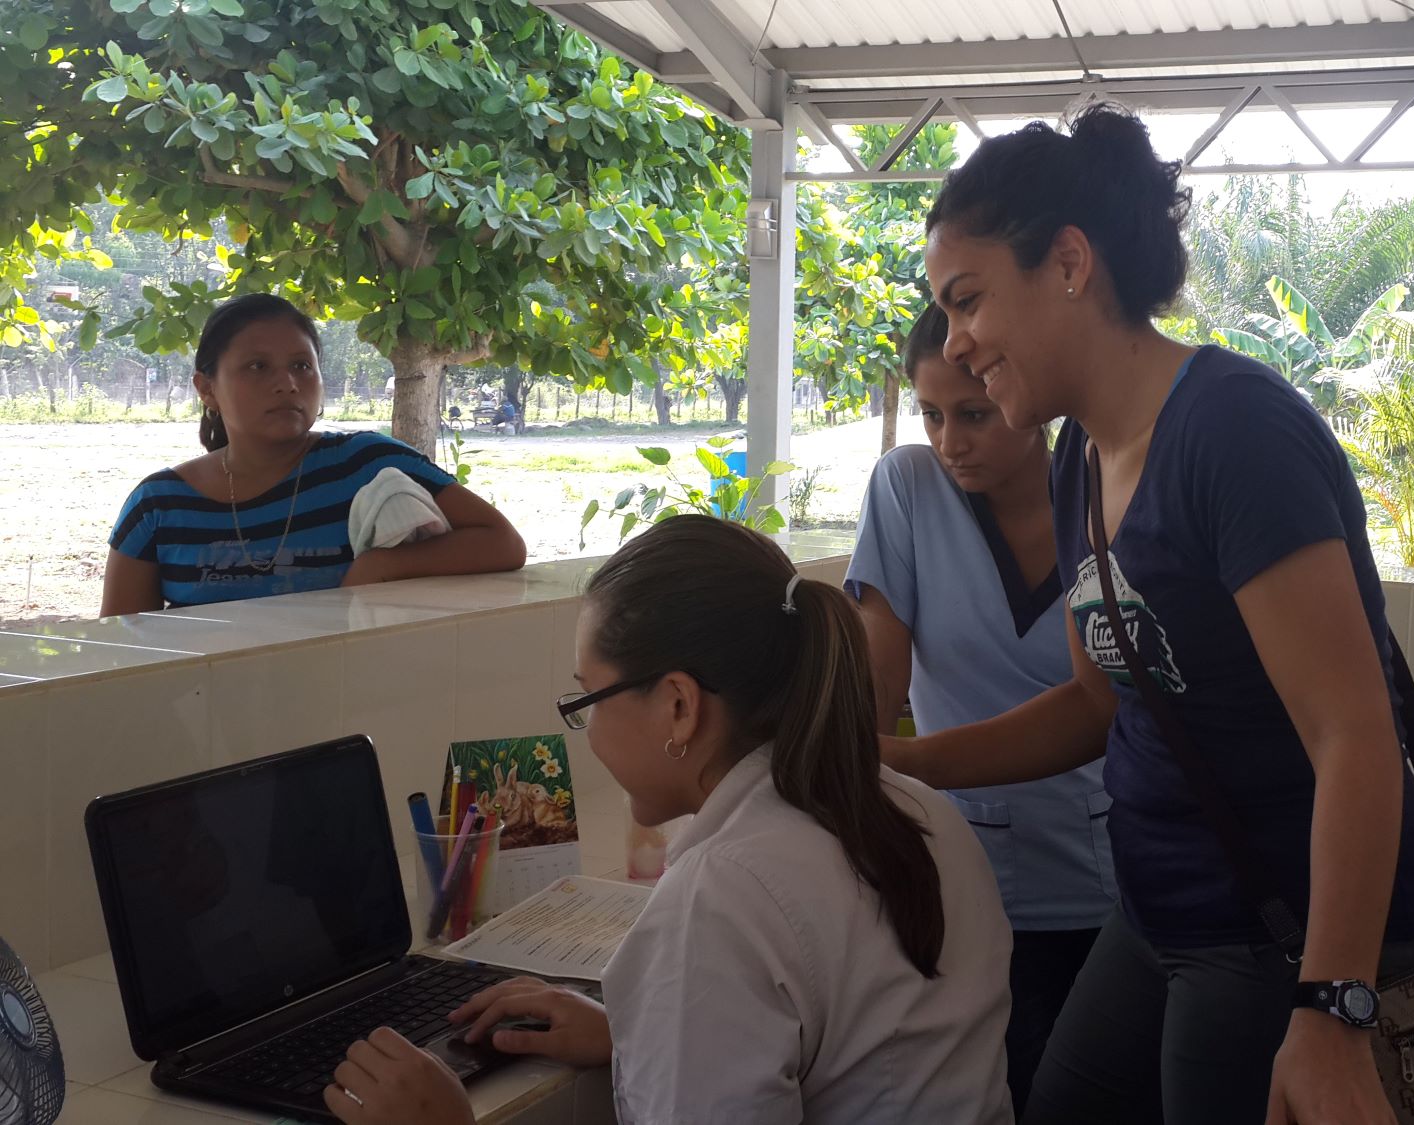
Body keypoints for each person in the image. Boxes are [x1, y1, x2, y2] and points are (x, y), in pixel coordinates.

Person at [890, 103, 1414, 1125]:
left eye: (966, 299)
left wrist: (1330, 1010)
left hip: (1274, 928)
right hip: (1158, 911)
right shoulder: (1076, 461)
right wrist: (896, 765)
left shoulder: (1229, 430)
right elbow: (1095, 701)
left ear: (1068, 262)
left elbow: (1352, 736)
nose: (957, 341)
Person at [320, 514, 1014, 1125]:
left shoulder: (722, 897)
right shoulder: (918, 811)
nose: (586, 730)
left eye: (588, 698)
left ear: (679, 705)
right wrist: (644, 1031)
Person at [848, 304, 1116, 1115]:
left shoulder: (1102, 484)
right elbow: (875, 683)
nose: (948, 441)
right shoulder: (906, 488)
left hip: (1110, 879)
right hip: (966, 882)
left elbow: (1098, 705)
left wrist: (911, 760)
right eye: (930, 414)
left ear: (1025, 394)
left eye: (972, 413)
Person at [101, 295, 525, 616]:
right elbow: (124, 656)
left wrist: (378, 568)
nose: (286, 383)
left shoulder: (367, 464)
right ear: (206, 389)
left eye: (302, 366)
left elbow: (503, 544)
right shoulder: (158, 506)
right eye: (257, 367)